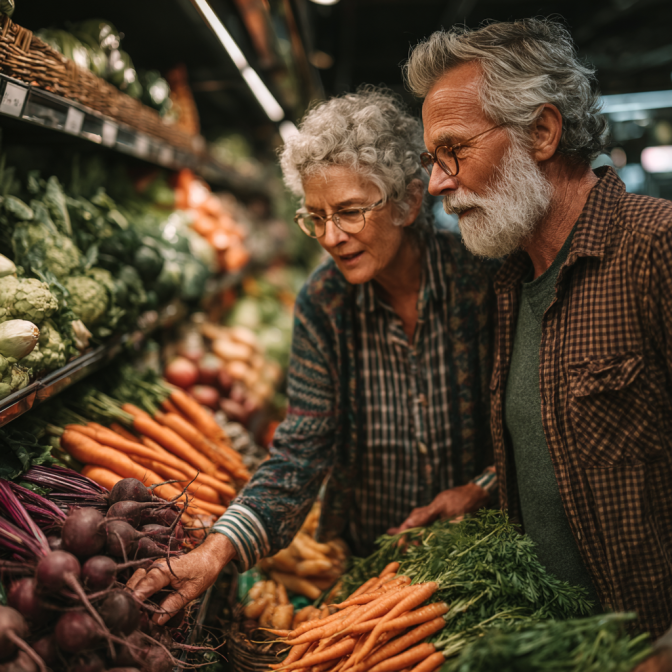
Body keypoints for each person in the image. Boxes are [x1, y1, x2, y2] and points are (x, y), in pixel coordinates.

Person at [128, 87, 498, 622]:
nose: (331, 236)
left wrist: (481, 488)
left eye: (349, 212)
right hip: (378, 569)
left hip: (488, 552)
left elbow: (531, 421)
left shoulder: (482, 279)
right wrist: (216, 549)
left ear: (407, 202)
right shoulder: (323, 305)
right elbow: (300, 453)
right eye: (315, 216)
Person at [404, 18, 672, 641]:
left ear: (543, 132)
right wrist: (490, 487)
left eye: (454, 150)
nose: (439, 181)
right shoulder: (510, 281)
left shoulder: (655, 247)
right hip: (564, 645)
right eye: (432, 160)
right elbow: (595, 435)